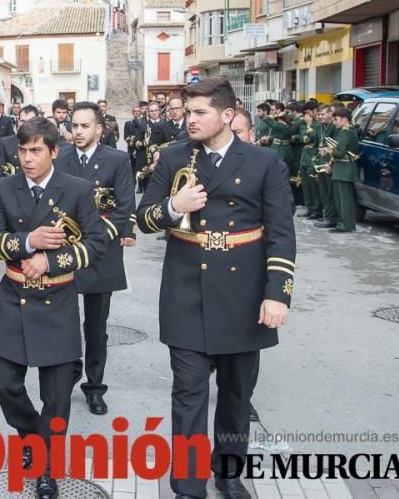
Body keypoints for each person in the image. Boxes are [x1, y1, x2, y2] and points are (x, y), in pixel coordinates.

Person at [137, 77, 295, 499]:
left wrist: (278, 293)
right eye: (187, 112)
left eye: (199, 112)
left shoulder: (264, 162)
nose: (189, 119)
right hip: (186, 292)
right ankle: (188, 486)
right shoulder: (173, 158)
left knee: (236, 394)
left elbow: (281, 233)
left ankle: (228, 473)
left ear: (227, 115)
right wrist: (174, 207)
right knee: (187, 393)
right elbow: (144, 218)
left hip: (244, 295)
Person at [0, 117, 108, 499]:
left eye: (35, 150)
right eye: (22, 150)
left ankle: (46, 469)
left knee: (55, 397)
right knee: (2, 379)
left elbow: (97, 244)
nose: (27, 158)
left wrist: (52, 262)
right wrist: (27, 241)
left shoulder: (77, 189)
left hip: (57, 299)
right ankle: (32, 437)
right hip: (14, 296)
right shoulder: (5, 188)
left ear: (55, 151)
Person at [59, 102, 136, 416]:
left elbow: (124, 206)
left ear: (99, 129)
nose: (78, 132)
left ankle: (94, 387)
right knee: (63, 321)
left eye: (85, 126)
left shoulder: (116, 160)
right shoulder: (60, 158)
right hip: (63, 251)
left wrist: (93, 237)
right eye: (74, 126)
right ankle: (68, 372)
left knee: (96, 325)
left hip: (101, 252)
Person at [230, 110, 294, 214]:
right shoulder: (213, 162)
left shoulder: (272, 165)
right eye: (227, 134)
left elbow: (285, 210)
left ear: (251, 134)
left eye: (237, 132)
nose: (231, 139)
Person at [328, 107, 359, 233]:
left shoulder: (346, 131)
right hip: (342, 168)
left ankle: (345, 225)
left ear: (345, 119)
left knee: (343, 200)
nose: (334, 122)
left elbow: (340, 152)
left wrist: (330, 151)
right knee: (341, 199)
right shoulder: (345, 131)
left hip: (344, 168)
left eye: (336, 119)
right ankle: (344, 223)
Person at [0, 105, 38, 179]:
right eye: (22, 121)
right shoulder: (5, 143)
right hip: (11, 187)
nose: (25, 124)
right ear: (18, 122)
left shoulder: (43, 143)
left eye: (30, 121)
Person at [313, 105, 339, 229]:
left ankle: (332, 218)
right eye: (319, 115)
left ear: (330, 114)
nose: (320, 117)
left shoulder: (334, 127)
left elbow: (337, 147)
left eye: (323, 114)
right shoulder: (318, 127)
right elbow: (317, 145)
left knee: (330, 192)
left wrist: (331, 163)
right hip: (321, 162)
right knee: (323, 192)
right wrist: (316, 160)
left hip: (330, 162)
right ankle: (326, 216)